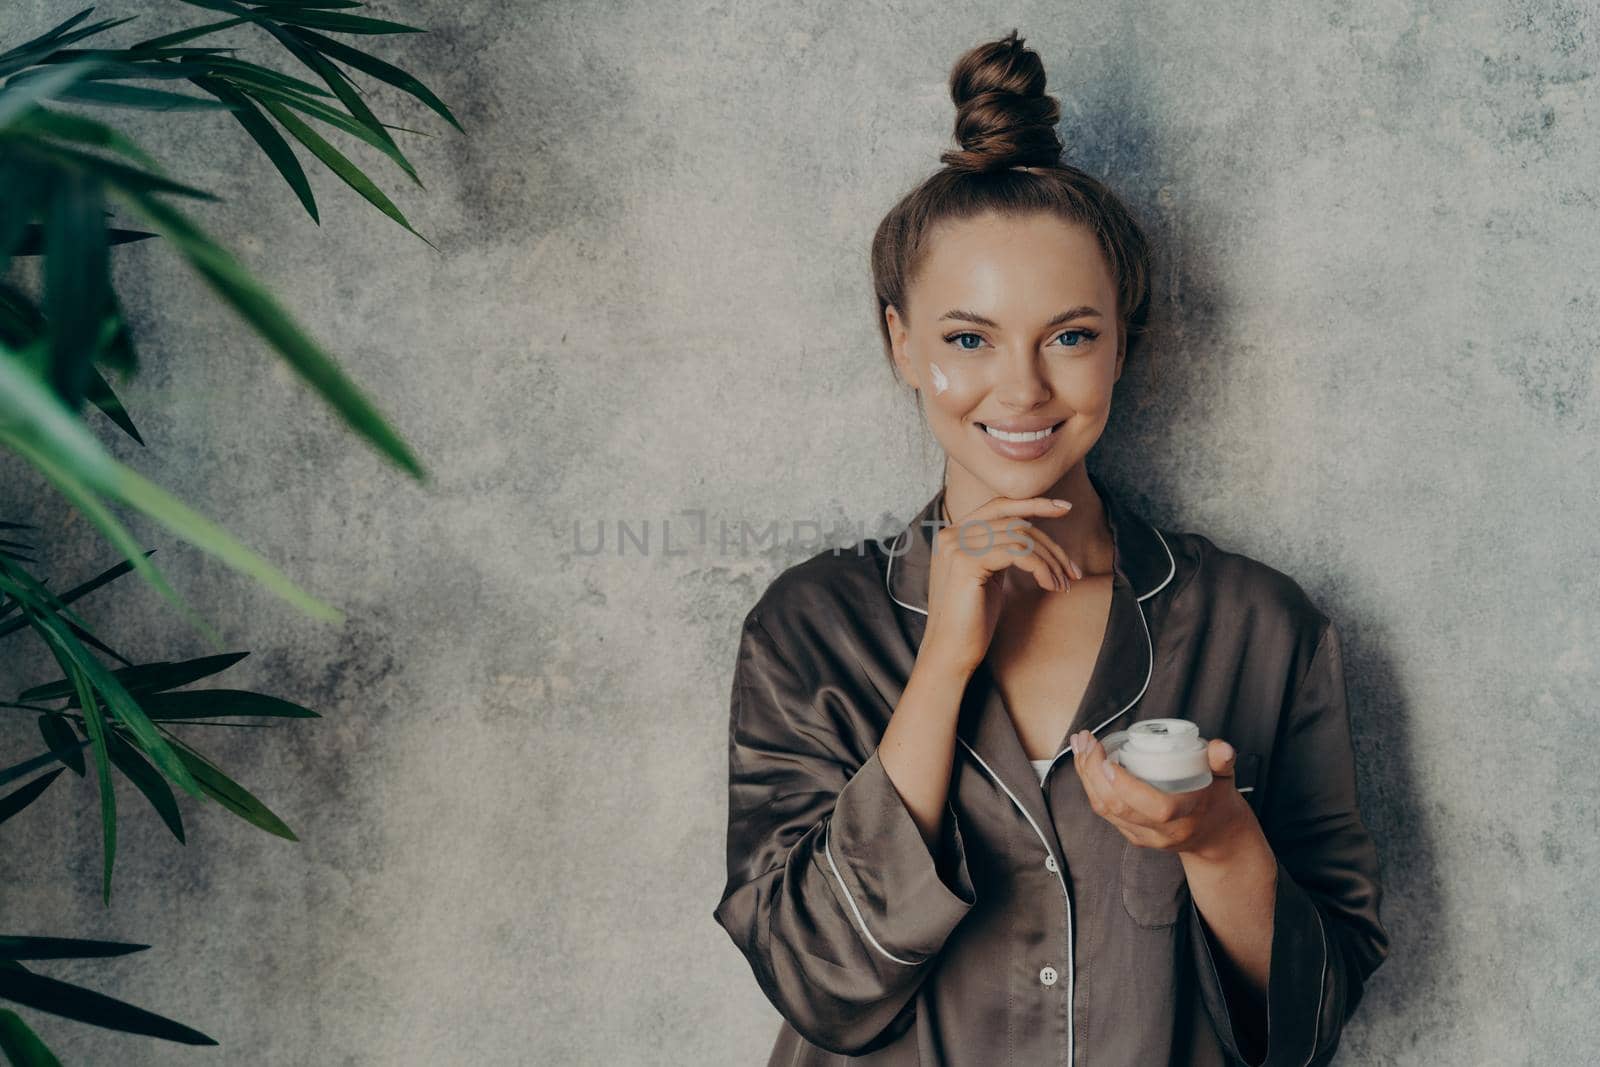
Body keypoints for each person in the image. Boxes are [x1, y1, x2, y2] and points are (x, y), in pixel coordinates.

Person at [712, 28, 1389, 1066]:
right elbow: (815, 979)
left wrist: (1215, 839)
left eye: (1069, 335)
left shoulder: (1261, 625)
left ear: (1124, 338)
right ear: (902, 343)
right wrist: (943, 661)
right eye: (967, 338)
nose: (1021, 389)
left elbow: (1309, 1022)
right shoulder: (810, 628)